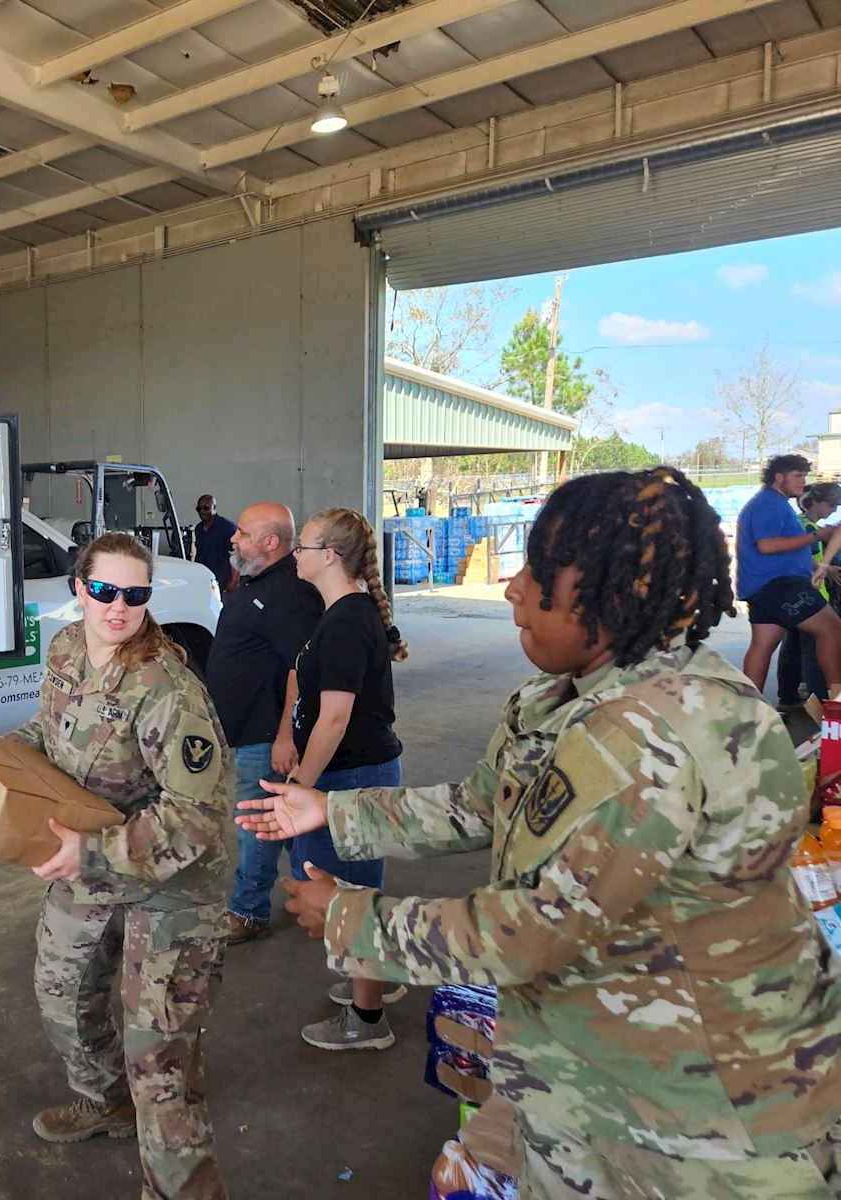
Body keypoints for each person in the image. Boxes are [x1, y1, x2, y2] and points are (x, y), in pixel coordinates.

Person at [239, 467, 841, 1197]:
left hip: (694, 1121)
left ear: (613, 595)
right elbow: (481, 805)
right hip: (595, 1068)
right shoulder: (567, 697)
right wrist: (330, 811)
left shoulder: (657, 734)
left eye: (539, 573)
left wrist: (349, 916)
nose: (512, 589)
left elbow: (537, 929)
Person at [12, 531, 232, 1200]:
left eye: (135, 595)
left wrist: (94, 854)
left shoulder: (168, 689)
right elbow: (53, 734)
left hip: (176, 883)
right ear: (79, 589)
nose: (119, 607)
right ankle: (104, 1099)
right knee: (62, 994)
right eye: (105, 591)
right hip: (95, 854)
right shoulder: (68, 649)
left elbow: (195, 821)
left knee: (158, 1064)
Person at [284, 508, 408, 1053]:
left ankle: (367, 1017)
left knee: (350, 898)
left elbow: (334, 719)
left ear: (328, 557)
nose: (296, 554)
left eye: (303, 547)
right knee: (354, 893)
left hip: (350, 778)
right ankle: (370, 982)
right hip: (353, 774)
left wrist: (300, 790)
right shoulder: (344, 613)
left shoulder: (346, 621)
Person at [202, 502, 322, 945]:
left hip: (265, 736)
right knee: (284, 823)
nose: (234, 537)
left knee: (256, 823)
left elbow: (301, 668)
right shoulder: (260, 581)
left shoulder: (289, 593)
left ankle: (248, 911)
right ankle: (319, 891)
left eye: (245, 534)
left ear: (271, 543)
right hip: (251, 731)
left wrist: (284, 735)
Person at [735, 453, 841, 698]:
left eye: (805, 476)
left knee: (763, 646)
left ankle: (751, 709)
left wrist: (819, 567)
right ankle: (837, 698)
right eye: (797, 476)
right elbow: (767, 546)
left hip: (763, 586)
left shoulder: (775, 503)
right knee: (833, 629)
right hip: (779, 585)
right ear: (778, 477)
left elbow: (788, 548)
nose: (802, 482)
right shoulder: (768, 504)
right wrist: (818, 536)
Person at [774, 481, 841, 715]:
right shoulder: (808, 529)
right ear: (819, 503)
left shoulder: (802, 523)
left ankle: (789, 696)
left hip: (796, 595)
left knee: (793, 648)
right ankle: (823, 703)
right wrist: (827, 569)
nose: (833, 510)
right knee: (815, 653)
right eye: (832, 505)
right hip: (808, 596)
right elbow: (801, 560)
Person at [192, 495, 237, 590]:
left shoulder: (228, 527)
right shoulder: (198, 529)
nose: (202, 511)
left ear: (214, 507)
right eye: (199, 509)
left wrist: (234, 582)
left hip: (223, 583)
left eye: (206, 508)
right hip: (203, 580)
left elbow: (238, 556)